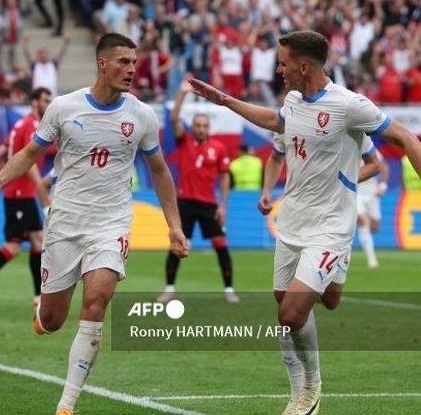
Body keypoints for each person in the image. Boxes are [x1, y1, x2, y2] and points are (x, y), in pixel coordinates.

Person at [189, 30, 421, 415]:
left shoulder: (349, 105)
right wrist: (224, 100)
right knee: (306, 307)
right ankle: (300, 391)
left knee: (291, 314)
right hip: (293, 222)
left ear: (303, 65)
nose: (277, 69)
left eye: (282, 63)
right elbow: (275, 121)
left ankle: (309, 392)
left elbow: (404, 138)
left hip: (330, 225)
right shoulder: (293, 100)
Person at [0, 33, 189, 415]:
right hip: (64, 223)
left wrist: (174, 226)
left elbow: (159, 170)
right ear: (102, 63)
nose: (131, 69)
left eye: (134, 62)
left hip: (110, 224)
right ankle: (43, 317)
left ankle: (67, 404)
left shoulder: (141, 115)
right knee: (54, 320)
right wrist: (3, 178)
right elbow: (31, 151)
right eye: (123, 62)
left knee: (97, 300)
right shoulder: (64, 107)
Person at [0, 87, 53, 312]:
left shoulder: (19, 125)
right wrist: (40, 191)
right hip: (20, 194)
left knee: (38, 240)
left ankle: (38, 298)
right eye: (46, 100)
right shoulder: (32, 126)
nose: (49, 104)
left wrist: (3, 178)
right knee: (14, 246)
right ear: (35, 102)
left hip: (18, 192)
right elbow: (31, 161)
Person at [158, 75, 239, 304]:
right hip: (184, 203)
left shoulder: (219, 148)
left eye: (204, 126)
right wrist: (182, 93)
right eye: (198, 125)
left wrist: (223, 205)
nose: (201, 129)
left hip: (208, 204)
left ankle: (229, 290)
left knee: (221, 247)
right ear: (192, 127)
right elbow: (174, 119)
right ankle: (169, 288)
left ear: (209, 128)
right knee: (176, 246)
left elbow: (224, 178)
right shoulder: (185, 143)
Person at [356, 148, 389, 269]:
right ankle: (372, 259)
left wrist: (383, 185)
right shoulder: (349, 150)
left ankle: (361, 232)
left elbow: (384, 166)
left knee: (374, 227)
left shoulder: (369, 148)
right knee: (363, 222)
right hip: (356, 193)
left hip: (372, 193)